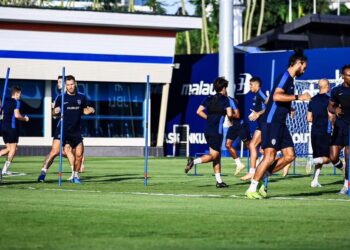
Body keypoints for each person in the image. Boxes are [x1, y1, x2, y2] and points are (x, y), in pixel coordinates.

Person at [245, 49, 311, 199]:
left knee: (290, 156)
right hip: (272, 122)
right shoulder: (286, 76)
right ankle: (252, 188)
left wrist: (290, 108)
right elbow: (276, 96)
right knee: (269, 156)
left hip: (280, 123)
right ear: (299, 63)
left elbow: (281, 99)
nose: (304, 70)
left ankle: (262, 175)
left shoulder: (291, 80)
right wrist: (298, 97)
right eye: (304, 67)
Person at [38, 75, 94, 183]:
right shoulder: (61, 97)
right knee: (54, 151)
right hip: (62, 129)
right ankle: (43, 172)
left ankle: (75, 176)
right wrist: (55, 111)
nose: (71, 87)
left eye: (72, 84)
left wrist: (90, 109)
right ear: (65, 86)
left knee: (79, 154)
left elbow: (84, 110)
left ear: (75, 84)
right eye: (68, 85)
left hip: (76, 130)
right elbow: (54, 113)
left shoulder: (81, 97)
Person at [185, 77, 233, 188]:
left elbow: (198, 111)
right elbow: (230, 114)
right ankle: (194, 161)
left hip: (207, 129)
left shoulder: (209, 98)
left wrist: (209, 118)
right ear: (224, 88)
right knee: (214, 155)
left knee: (217, 156)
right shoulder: (226, 100)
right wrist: (230, 121)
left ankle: (219, 181)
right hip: (217, 131)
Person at [328, 64, 350, 194]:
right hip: (339, 127)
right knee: (333, 156)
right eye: (349, 75)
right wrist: (335, 109)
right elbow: (330, 107)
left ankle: (346, 185)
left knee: (348, 155)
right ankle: (344, 169)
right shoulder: (336, 91)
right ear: (343, 76)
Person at [241, 77, 268, 180]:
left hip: (265, 124)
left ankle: (253, 171)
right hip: (260, 124)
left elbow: (268, 106)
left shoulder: (260, 93)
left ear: (257, 85)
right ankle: (255, 171)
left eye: (251, 85)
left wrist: (258, 113)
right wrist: (255, 113)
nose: (250, 87)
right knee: (260, 149)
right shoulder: (256, 95)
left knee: (254, 146)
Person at [306, 78, 331, 187]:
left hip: (314, 132)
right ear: (327, 86)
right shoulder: (330, 100)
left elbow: (309, 118)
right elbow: (331, 116)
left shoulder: (313, 100)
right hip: (325, 131)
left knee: (319, 157)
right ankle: (311, 161)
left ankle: (315, 180)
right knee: (328, 158)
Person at [0, 86, 29, 177]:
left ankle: (5, 169)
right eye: (20, 94)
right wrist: (25, 118)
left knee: (10, 149)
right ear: (16, 93)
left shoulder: (5, 101)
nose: (20, 96)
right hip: (12, 128)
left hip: (3, 128)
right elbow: (17, 115)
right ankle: (5, 170)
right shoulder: (17, 102)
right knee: (13, 149)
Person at [225, 96, 251, 176]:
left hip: (241, 125)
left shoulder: (230, 100)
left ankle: (256, 166)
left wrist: (229, 115)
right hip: (233, 126)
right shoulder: (223, 101)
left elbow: (237, 115)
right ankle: (239, 164)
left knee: (250, 146)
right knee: (228, 145)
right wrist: (229, 120)